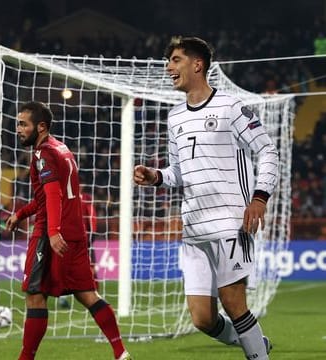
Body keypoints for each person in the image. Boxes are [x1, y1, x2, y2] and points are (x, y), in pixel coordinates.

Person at [133, 36, 277, 360]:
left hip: (230, 222)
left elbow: (267, 150)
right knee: (202, 318)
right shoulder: (175, 117)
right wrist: (156, 177)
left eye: (176, 60)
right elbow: (177, 172)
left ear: (198, 65)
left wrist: (260, 198)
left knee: (233, 301)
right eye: (168, 60)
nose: (169, 67)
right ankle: (254, 343)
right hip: (194, 229)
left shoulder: (232, 107)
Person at [6, 101, 131, 360]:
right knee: (87, 294)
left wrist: (52, 232)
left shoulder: (43, 154)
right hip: (75, 233)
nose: (18, 129)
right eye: (18, 123)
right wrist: (21, 213)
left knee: (34, 294)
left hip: (50, 234)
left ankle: (25, 358)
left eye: (23, 124)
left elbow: (52, 194)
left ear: (40, 127)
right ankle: (121, 352)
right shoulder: (62, 148)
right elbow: (50, 194)